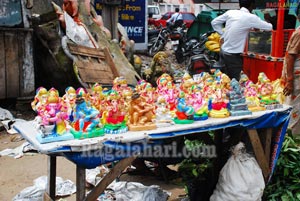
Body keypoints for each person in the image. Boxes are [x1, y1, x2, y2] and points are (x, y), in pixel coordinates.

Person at [211, 0, 273, 80]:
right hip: (233, 55)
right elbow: (269, 27)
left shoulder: (231, 12)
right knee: (236, 81)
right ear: (252, 5)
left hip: (223, 51)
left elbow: (214, 22)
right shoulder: (251, 17)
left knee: (223, 79)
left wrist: (223, 35)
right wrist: (267, 18)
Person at [282, 13, 300, 134]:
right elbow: (291, 56)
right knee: (295, 108)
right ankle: (290, 137)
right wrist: (290, 80)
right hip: (297, 77)